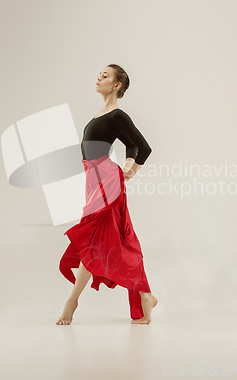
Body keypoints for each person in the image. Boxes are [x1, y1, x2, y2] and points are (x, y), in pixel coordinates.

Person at [56, 64, 158, 325]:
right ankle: (145, 295)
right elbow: (131, 144)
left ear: (116, 85)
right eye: (99, 74)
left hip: (106, 180)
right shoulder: (100, 115)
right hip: (94, 179)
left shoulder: (117, 115)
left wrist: (130, 167)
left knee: (92, 237)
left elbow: (142, 147)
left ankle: (72, 302)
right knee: (108, 240)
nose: (98, 77)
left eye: (105, 75)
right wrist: (127, 162)